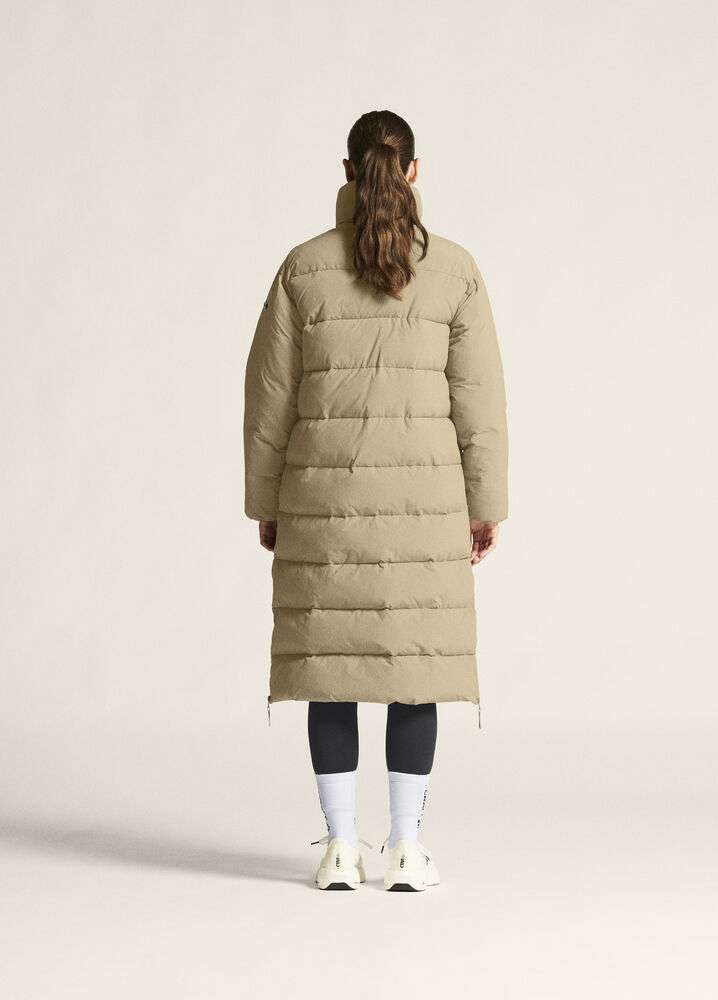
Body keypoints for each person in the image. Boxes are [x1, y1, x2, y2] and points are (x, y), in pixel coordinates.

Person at [243, 110, 508, 891]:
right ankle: (407, 850)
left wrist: (268, 502)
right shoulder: (455, 270)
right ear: (414, 171)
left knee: (331, 669)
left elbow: (269, 402)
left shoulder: (301, 268)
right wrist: (484, 504)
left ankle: (340, 850)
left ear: (348, 170)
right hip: (427, 507)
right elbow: (480, 404)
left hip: (323, 503)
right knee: (412, 668)